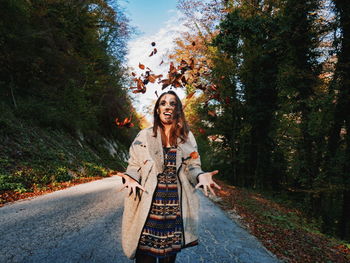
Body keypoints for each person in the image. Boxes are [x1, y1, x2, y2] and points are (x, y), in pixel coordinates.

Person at [118, 90, 221, 263]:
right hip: (148, 205)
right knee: (144, 257)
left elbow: (193, 166)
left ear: (178, 110)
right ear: (158, 110)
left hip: (174, 208)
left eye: (173, 103)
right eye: (163, 103)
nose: (168, 106)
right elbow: (134, 165)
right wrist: (130, 177)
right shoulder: (144, 135)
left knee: (168, 258)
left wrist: (200, 176)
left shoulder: (186, 137)